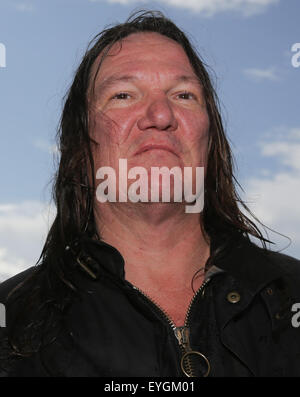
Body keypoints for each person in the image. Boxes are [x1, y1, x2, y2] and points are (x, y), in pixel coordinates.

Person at [0, 10, 300, 378]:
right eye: (123, 94)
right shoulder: (10, 326)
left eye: (183, 94)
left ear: (210, 139)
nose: (160, 114)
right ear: (80, 145)